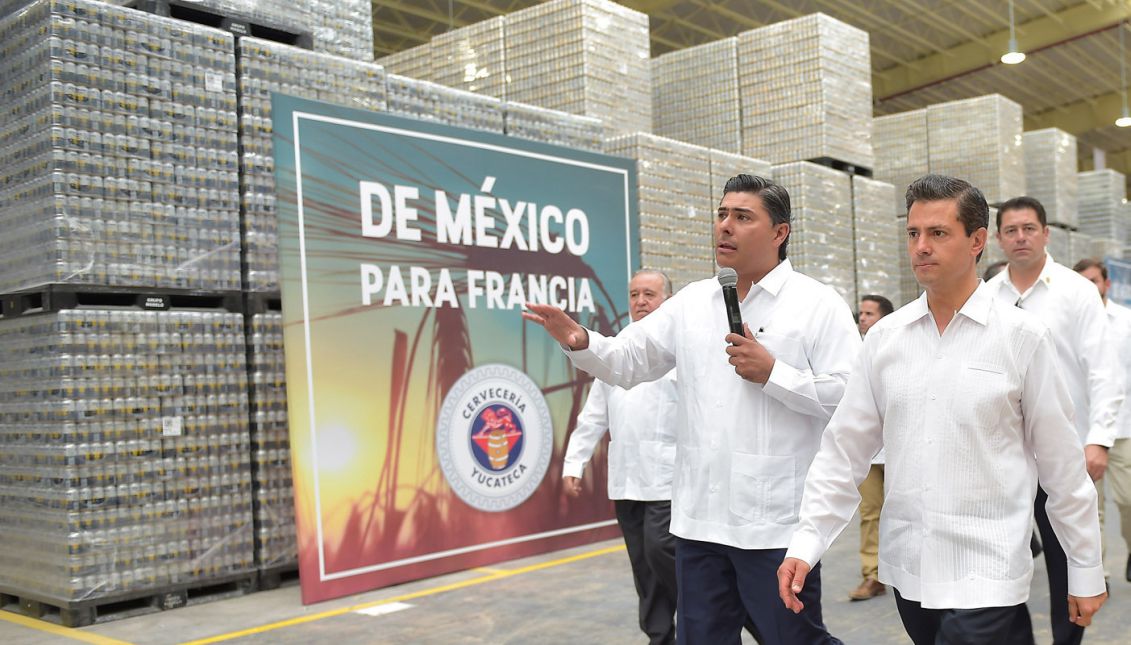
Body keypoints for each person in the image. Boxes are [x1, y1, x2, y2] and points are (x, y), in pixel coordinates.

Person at [524, 174, 858, 645]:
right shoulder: (693, 303)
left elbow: (848, 397)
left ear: (780, 232)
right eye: (722, 215)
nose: (725, 227)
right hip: (699, 520)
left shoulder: (817, 304)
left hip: (774, 523)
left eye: (743, 217)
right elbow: (627, 361)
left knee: (793, 639)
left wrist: (775, 374)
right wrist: (580, 341)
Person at [778, 174, 1107, 645]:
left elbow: (1061, 468)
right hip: (910, 568)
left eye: (938, 233)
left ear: (976, 241)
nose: (921, 247)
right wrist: (808, 543)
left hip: (987, 567)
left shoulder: (1021, 338)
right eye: (913, 233)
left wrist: (1085, 567)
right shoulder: (886, 340)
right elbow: (844, 450)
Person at [986, 196, 1123, 645]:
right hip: (1001, 452)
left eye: (1029, 228)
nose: (1021, 237)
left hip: (1063, 450)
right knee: (1001, 550)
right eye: (1011, 230)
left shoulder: (1076, 292)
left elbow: (1104, 369)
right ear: (997, 238)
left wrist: (1098, 439)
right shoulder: (986, 295)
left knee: (1066, 555)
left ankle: (1068, 639)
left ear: (1046, 234)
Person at [562, 269, 679, 645]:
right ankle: (660, 637)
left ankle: (711, 610)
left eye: (649, 294)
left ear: (668, 300)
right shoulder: (613, 353)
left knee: (662, 549)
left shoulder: (679, 352)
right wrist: (574, 462)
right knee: (643, 567)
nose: (640, 301)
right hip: (627, 479)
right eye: (634, 294)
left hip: (670, 477)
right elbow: (593, 415)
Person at [1075, 258, 1131, 583]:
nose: (1089, 288)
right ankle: (1100, 574)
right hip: (1082, 430)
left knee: (1127, 501)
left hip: (1123, 427)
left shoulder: (1126, 321)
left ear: (1106, 284)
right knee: (1090, 509)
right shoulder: (1071, 323)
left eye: (1093, 281)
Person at [849, 294, 894, 602]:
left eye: (869, 313)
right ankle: (872, 574)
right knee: (869, 513)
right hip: (868, 451)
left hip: (898, 449)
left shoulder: (897, 346)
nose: (863, 318)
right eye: (861, 313)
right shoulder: (852, 351)